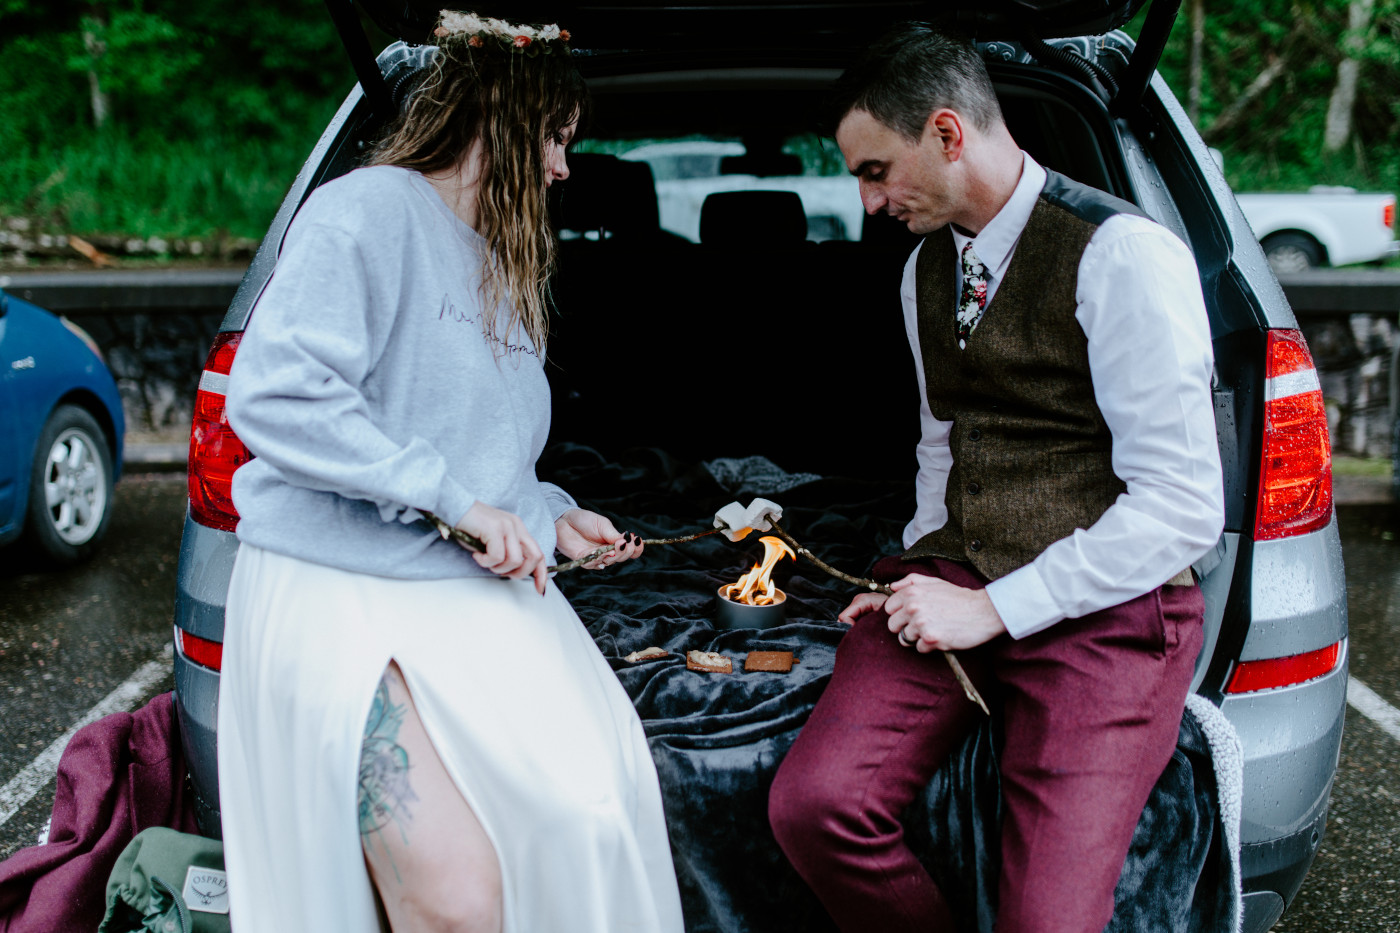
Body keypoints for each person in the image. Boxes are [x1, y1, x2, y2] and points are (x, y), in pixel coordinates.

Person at [216, 12, 684, 933]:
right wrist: (453, 500)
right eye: (556, 138)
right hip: (345, 593)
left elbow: (487, 460)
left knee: (592, 815)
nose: (562, 169)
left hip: (469, 597)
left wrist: (549, 516)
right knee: (455, 903)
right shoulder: (367, 210)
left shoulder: (508, 265)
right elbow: (273, 398)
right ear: (506, 117)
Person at [767, 24, 1225, 933]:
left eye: (874, 170)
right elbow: (945, 443)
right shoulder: (921, 273)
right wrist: (916, 569)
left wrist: (995, 608)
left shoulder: (1120, 255)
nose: (867, 203)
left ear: (947, 134)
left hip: (1111, 614)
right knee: (815, 807)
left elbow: (1183, 508)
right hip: (957, 580)